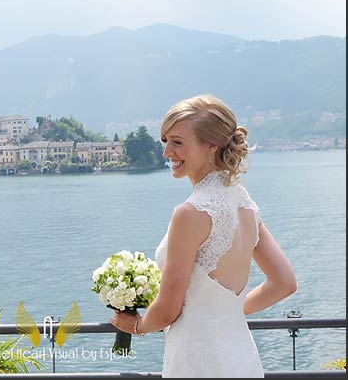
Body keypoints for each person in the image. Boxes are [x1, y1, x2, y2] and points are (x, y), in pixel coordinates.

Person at [110, 94, 297, 378]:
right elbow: (284, 283)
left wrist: (136, 326)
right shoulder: (243, 202)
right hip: (239, 356)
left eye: (178, 142)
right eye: (166, 141)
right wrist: (225, 313)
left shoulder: (190, 213)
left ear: (211, 145)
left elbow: (168, 309)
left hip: (197, 362)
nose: (166, 153)